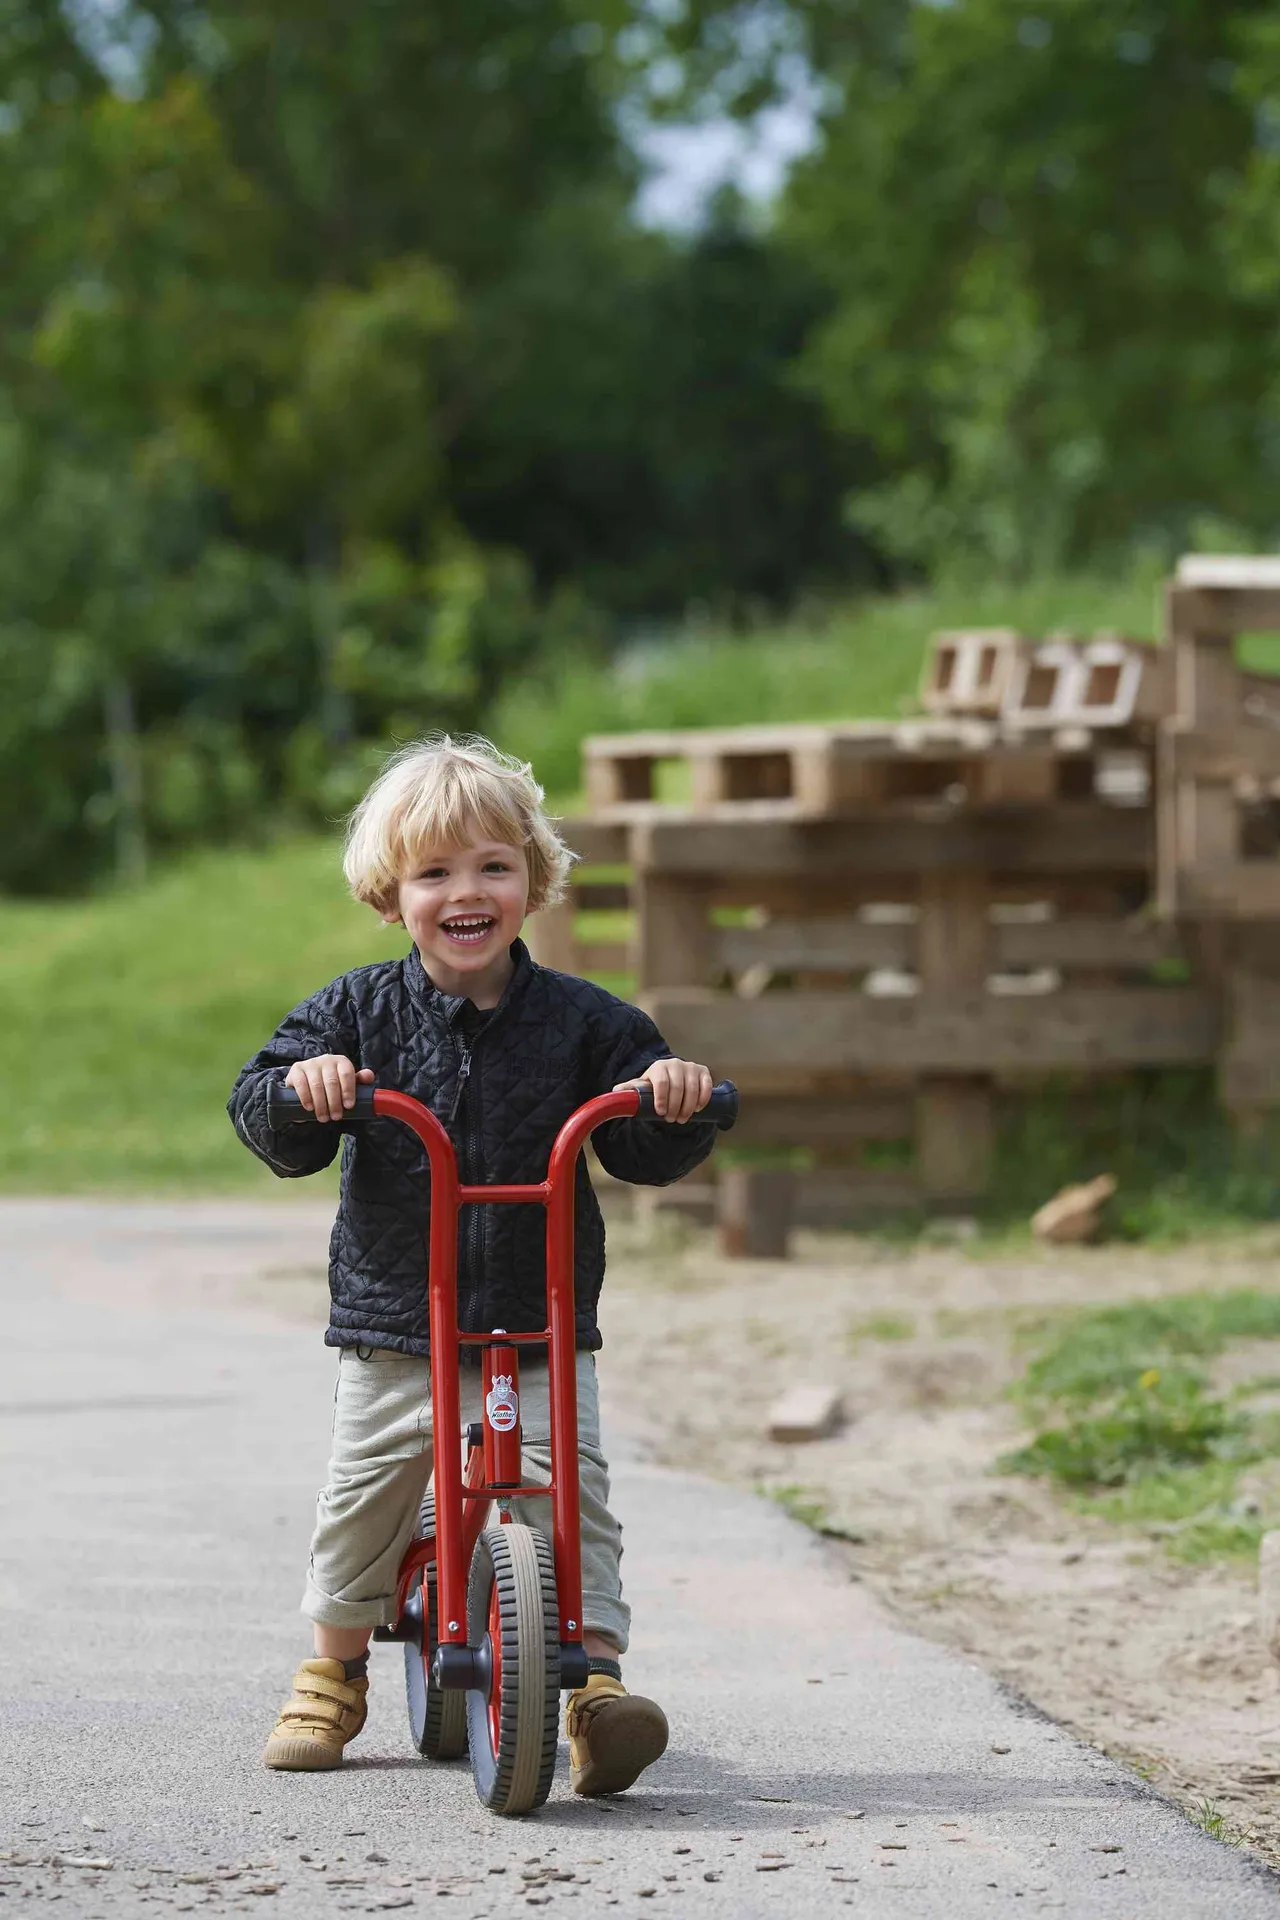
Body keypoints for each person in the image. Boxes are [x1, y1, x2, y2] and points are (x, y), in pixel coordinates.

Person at [227, 734, 719, 1792]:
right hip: (400, 1321)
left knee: (568, 1494)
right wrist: (301, 1089)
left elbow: (635, 1139)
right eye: (435, 873)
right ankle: (333, 1673)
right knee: (363, 1490)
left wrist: (668, 1100)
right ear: (389, 894)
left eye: (493, 867)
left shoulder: (587, 1022)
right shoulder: (355, 1012)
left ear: (532, 884)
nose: (467, 892)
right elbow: (264, 1109)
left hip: (537, 1321)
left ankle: (590, 1690)